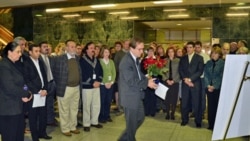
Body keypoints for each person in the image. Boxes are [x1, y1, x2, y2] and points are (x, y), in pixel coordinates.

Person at [118, 37, 158, 141]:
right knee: (131, 125)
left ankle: (123, 139)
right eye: (139, 49)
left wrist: (146, 78)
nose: (142, 52)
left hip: (136, 95)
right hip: (130, 97)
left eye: (142, 49)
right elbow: (131, 80)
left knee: (140, 118)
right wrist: (146, 83)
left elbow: (138, 74)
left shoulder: (134, 59)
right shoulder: (126, 61)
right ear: (131, 48)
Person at [0, 42, 32, 141]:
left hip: (18, 107)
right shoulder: (4, 66)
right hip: (9, 109)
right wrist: (26, 94)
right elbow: (10, 87)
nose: (20, 54)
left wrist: (28, 91)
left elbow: (24, 84)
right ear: (9, 52)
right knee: (10, 137)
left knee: (18, 136)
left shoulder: (14, 64)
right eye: (18, 51)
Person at [23, 43, 52, 141]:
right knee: (33, 117)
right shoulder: (26, 63)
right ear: (30, 52)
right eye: (36, 51)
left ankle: (42, 133)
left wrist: (45, 89)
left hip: (43, 92)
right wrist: (38, 91)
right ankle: (35, 137)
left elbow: (44, 76)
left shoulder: (40, 61)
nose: (38, 53)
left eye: (39, 51)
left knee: (43, 114)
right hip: (34, 94)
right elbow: (27, 80)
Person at [52, 39, 82, 136]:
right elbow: (54, 73)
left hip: (76, 87)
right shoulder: (59, 59)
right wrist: (59, 84)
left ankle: (73, 127)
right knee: (64, 109)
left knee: (74, 109)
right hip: (65, 88)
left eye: (74, 46)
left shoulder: (77, 58)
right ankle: (65, 129)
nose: (74, 48)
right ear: (67, 48)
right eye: (72, 46)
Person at [179, 41, 204, 128]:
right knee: (184, 103)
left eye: (190, 47)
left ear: (194, 48)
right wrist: (186, 79)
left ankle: (198, 121)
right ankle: (184, 120)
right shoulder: (183, 58)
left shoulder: (199, 58)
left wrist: (190, 79)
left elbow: (200, 71)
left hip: (195, 84)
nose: (188, 49)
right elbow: (180, 70)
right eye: (187, 47)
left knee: (197, 103)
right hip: (185, 84)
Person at [80, 42, 103, 132]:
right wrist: (92, 82)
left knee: (96, 104)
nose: (93, 49)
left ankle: (94, 121)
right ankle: (86, 123)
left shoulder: (97, 60)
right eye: (91, 48)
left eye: (94, 48)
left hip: (96, 86)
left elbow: (101, 71)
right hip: (87, 86)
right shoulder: (82, 60)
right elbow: (83, 73)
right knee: (86, 105)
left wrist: (99, 81)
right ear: (86, 50)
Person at [204, 47, 224, 130]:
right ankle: (211, 124)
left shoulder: (222, 63)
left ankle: (218, 124)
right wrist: (208, 85)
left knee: (217, 106)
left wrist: (214, 86)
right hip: (209, 88)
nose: (214, 55)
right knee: (210, 107)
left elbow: (221, 76)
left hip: (218, 89)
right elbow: (206, 75)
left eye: (216, 53)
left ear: (219, 54)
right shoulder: (208, 63)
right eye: (212, 53)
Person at [39, 41, 57, 126]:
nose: (46, 48)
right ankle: (43, 121)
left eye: (47, 46)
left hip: (51, 83)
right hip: (43, 85)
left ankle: (50, 120)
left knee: (50, 103)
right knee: (43, 105)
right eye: (44, 47)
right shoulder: (38, 59)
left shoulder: (50, 58)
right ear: (39, 48)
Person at [99, 46, 116, 123]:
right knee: (102, 101)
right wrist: (104, 82)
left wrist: (111, 82)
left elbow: (114, 73)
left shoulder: (111, 62)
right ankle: (102, 117)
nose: (107, 54)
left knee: (109, 101)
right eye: (105, 52)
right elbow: (99, 73)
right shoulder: (100, 61)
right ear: (102, 53)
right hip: (102, 84)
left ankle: (107, 115)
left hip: (110, 84)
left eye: (108, 52)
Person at [164, 47, 180, 120]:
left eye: (172, 51)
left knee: (174, 99)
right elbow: (161, 72)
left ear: (174, 52)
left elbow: (180, 73)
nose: (170, 53)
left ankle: (172, 113)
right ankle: (167, 113)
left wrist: (174, 80)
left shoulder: (178, 61)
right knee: (167, 98)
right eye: (169, 52)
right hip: (166, 82)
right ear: (167, 53)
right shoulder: (164, 61)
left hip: (175, 82)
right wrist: (166, 80)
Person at [141, 47, 157, 116]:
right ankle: (146, 111)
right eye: (149, 51)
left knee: (153, 96)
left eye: (152, 51)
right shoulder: (144, 60)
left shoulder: (156, 59)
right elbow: (141, 69)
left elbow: (159, 69)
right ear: (147, 52)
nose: (150, 53)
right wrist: (147, 76)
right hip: (146, 80)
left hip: (154, 80)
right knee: (147, 96)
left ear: (154, 52)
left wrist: (153, 76)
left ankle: (152, 111)